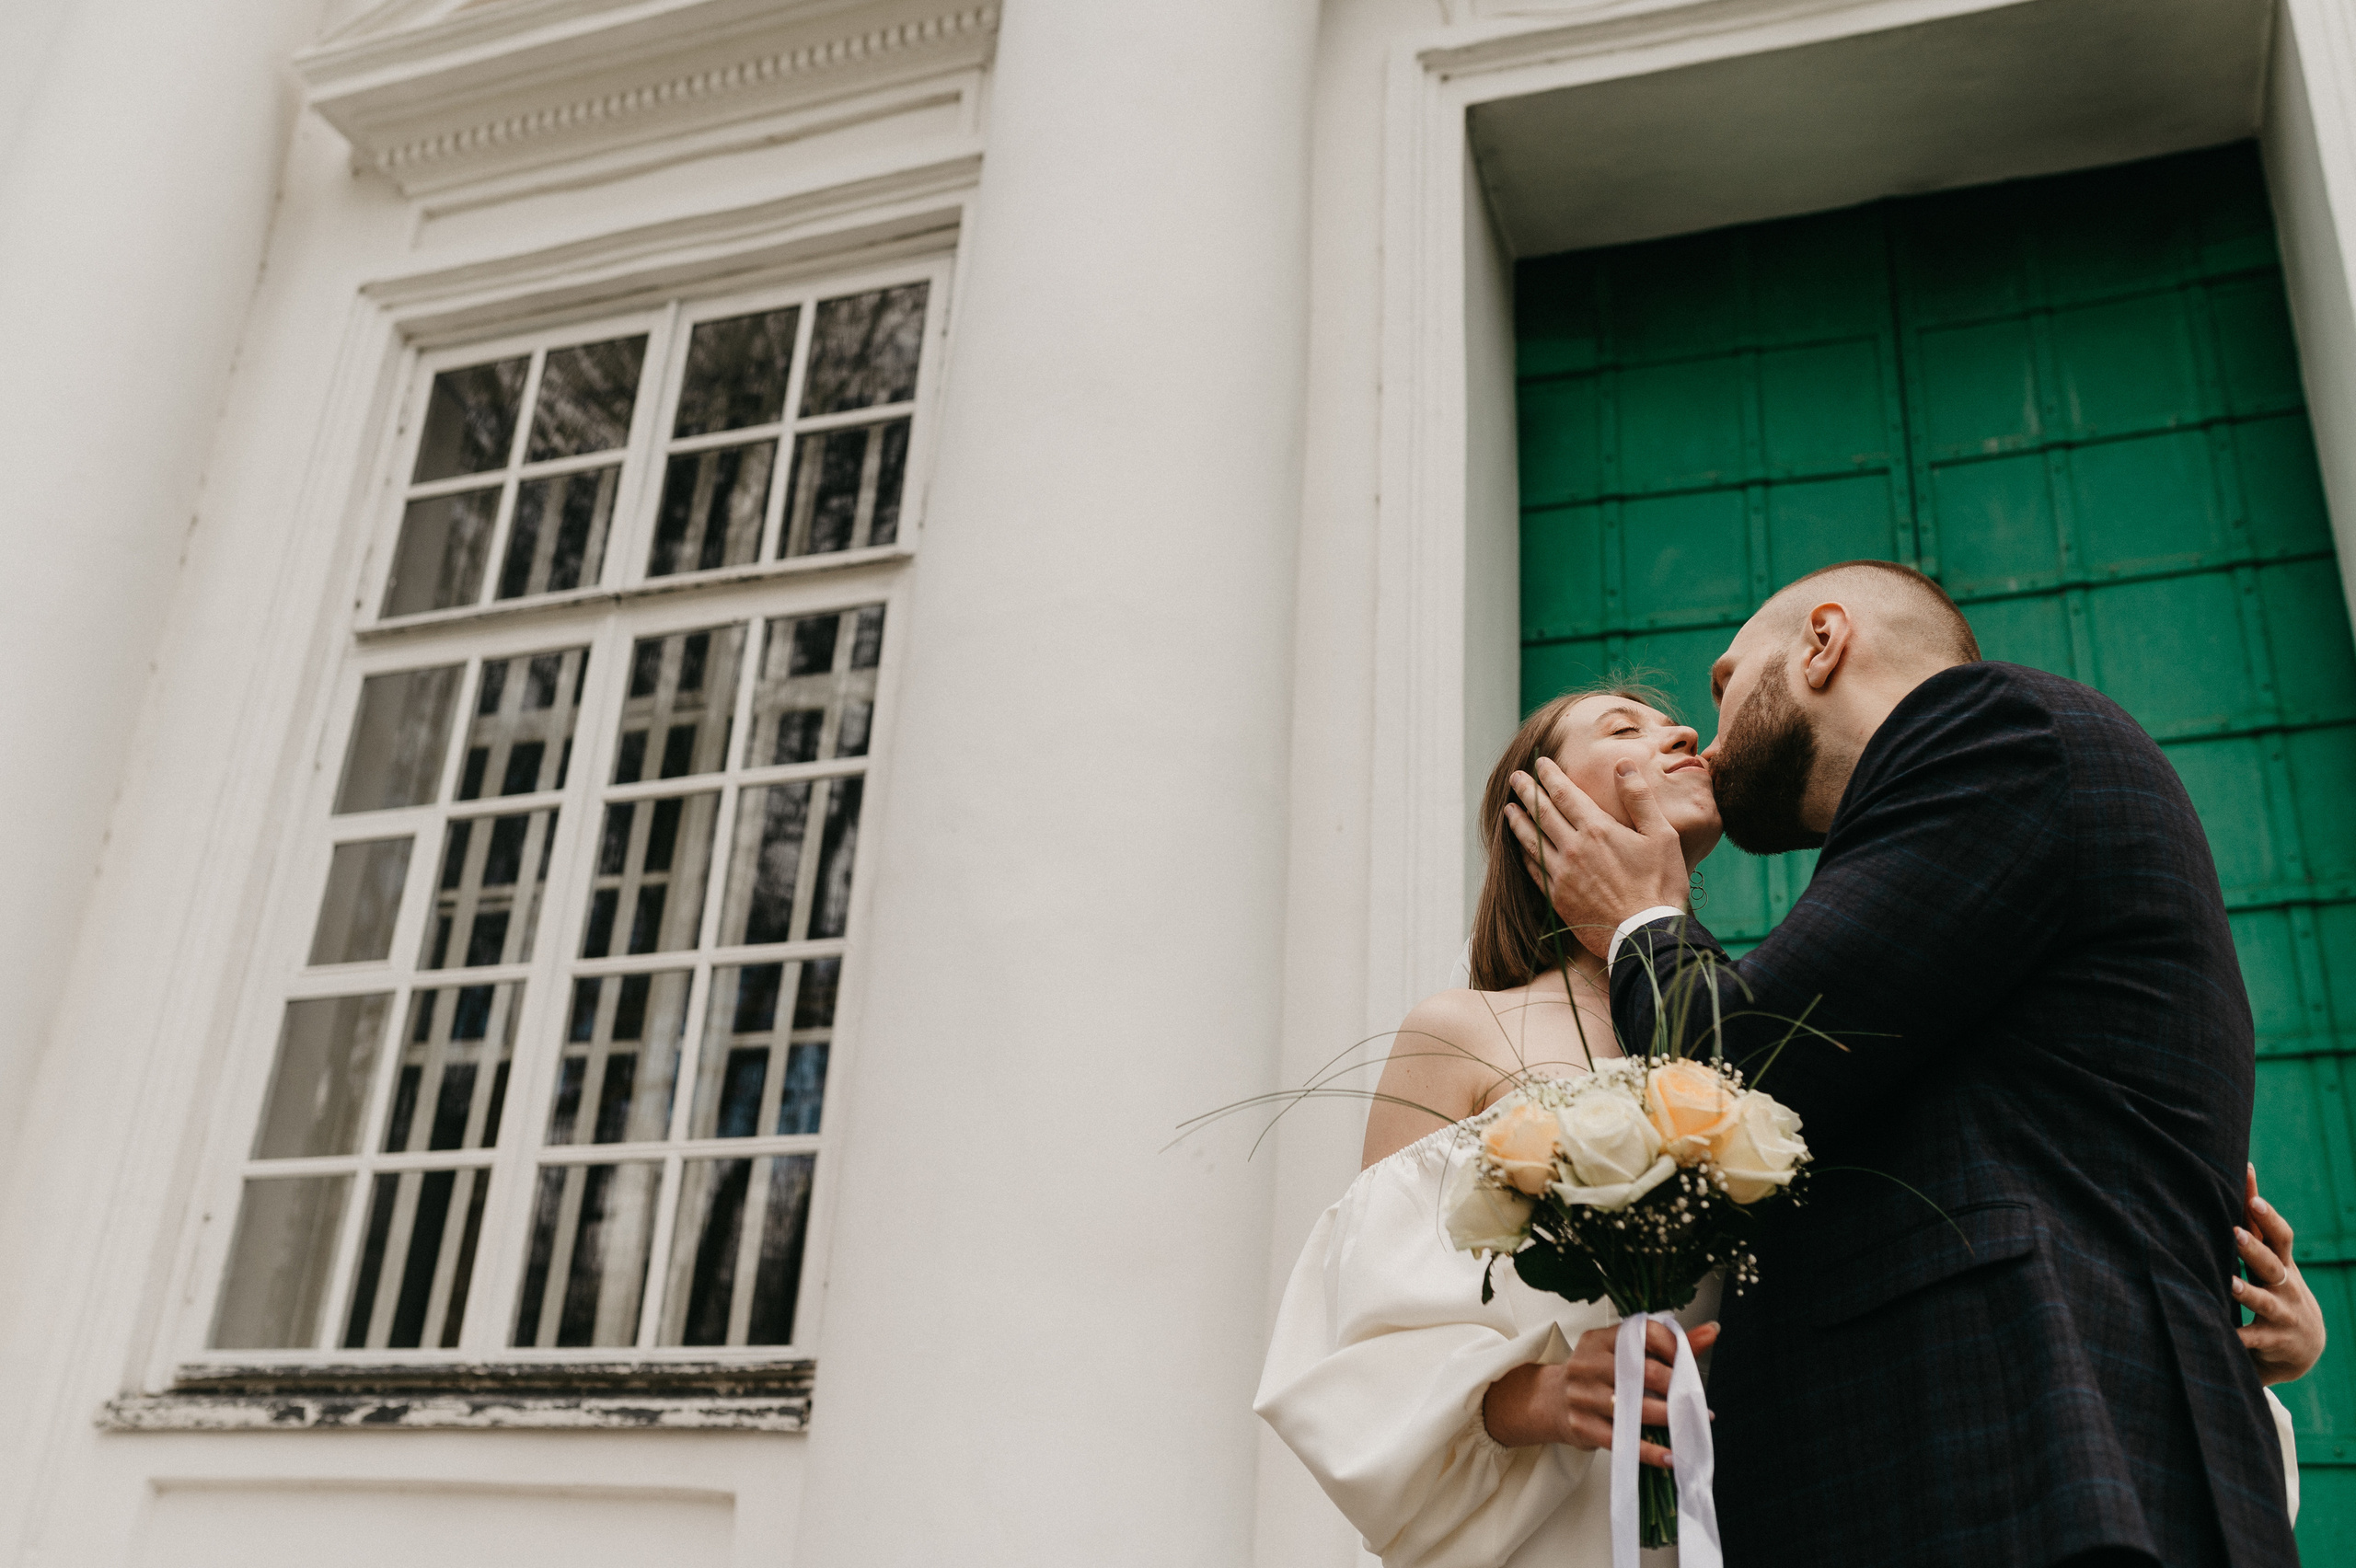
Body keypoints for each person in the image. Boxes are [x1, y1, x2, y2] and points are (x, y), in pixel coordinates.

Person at [1257, 658, 2321, 1567]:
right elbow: (1358, 1342)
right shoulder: (1460, 1030)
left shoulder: (1766, 1028)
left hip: (1801, 1494)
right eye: (1621, 729)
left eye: (1669, 721)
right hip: (1574, 1512)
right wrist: (1532, 1397)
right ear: (1533, 809)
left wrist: (2234, 1343)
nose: (1679, 731)